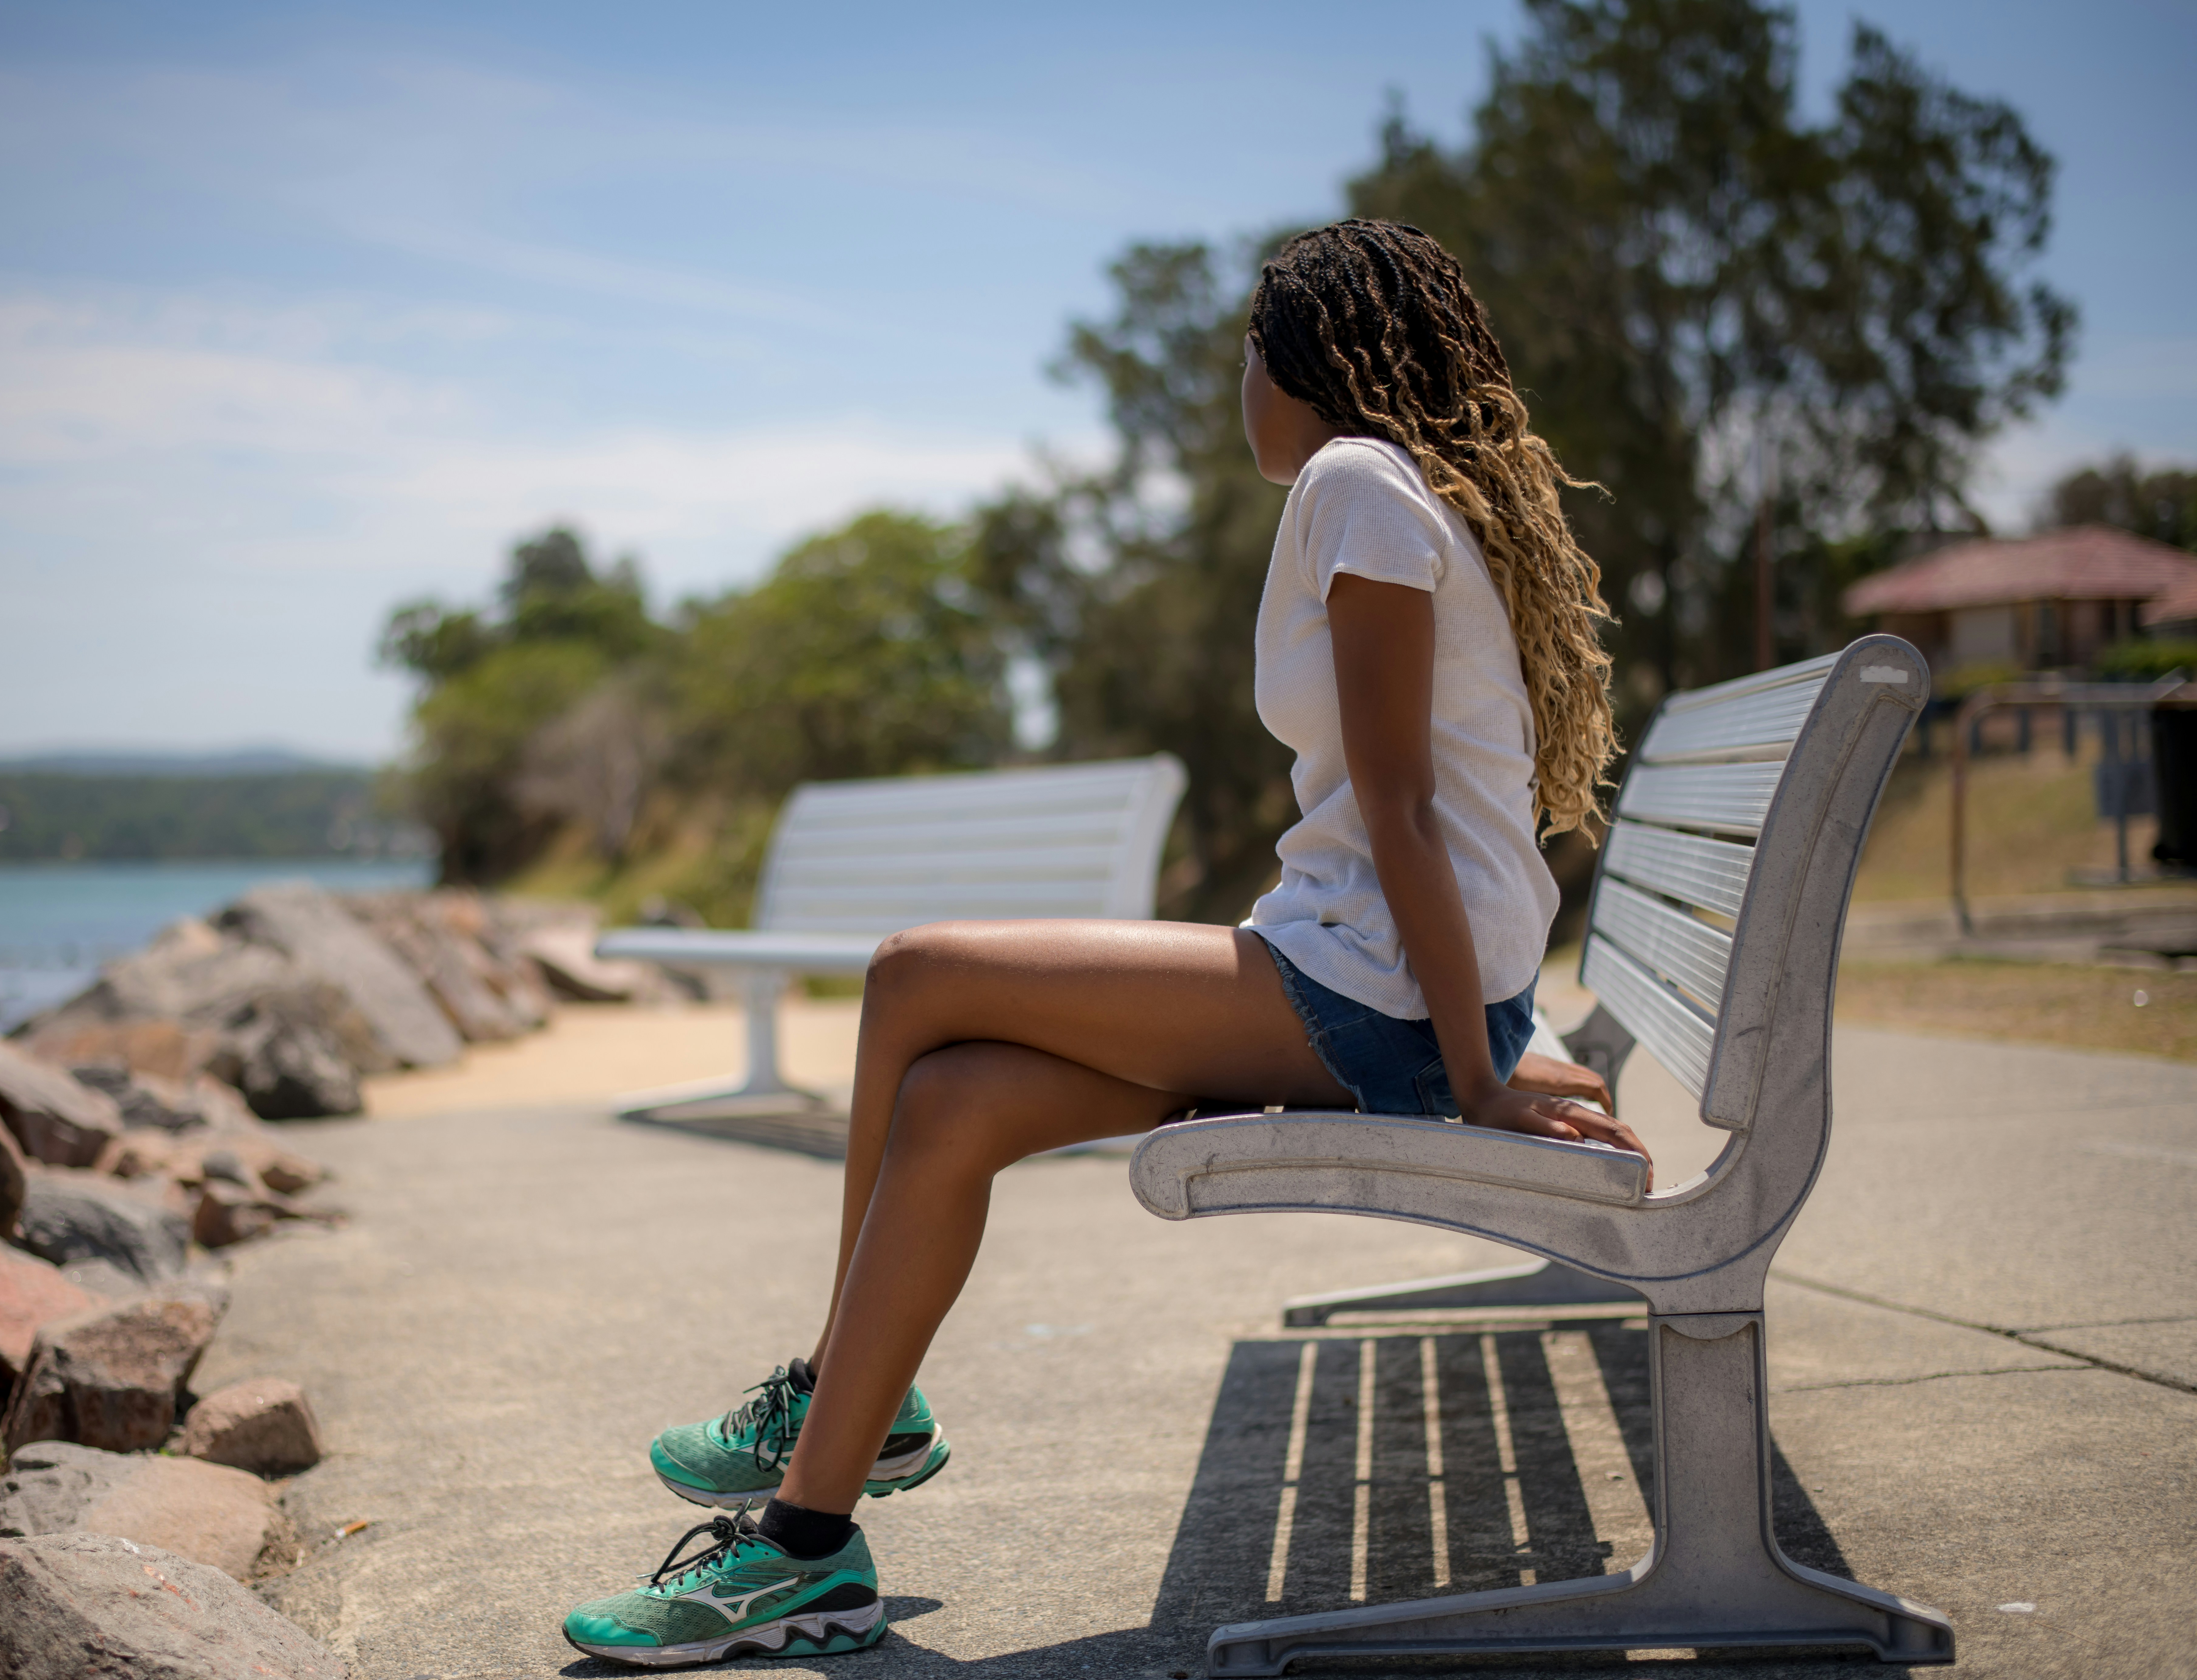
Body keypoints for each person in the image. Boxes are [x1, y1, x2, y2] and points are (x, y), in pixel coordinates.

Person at [561, 219, 1650, 1669]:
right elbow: (1404, 807)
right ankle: (819, 1538)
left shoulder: (1357, 482)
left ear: (1305, 363)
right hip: (1363, 976)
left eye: (1247, 355)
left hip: (1373, 996)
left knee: (910, 972)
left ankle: (837, 1437)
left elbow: (1397, 806)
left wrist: (1474, 1070)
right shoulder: (1402, 491)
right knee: (955, 1102)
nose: (1238, 386)